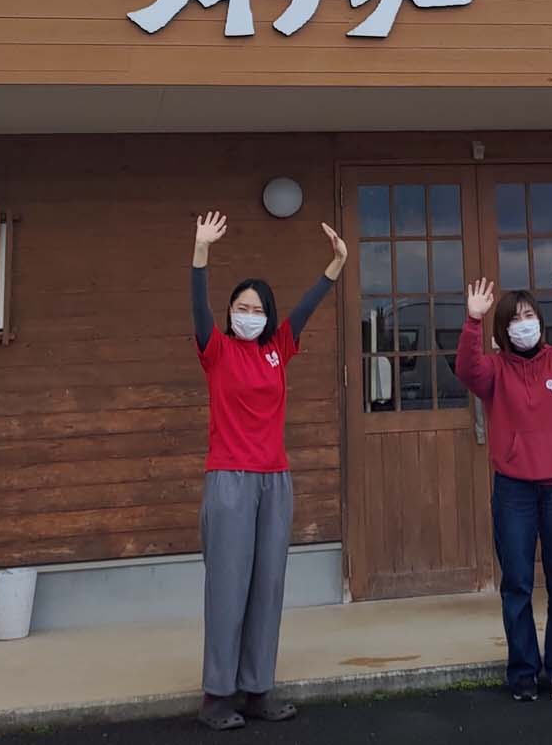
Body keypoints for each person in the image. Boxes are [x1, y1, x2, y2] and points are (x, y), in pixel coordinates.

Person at [190, 209, 347, 731]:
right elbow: (197, 306)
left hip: (275, 480)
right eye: (242, 307)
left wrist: (336, 264)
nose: (249, 314)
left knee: (268, 584)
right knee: (228, 586)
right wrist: (201, 252)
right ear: (231, 312)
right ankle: (217, 695)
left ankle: (258, 687)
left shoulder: (278, 348)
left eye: (258, 308)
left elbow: (307, 307)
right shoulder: (216, 350)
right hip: (230, 480)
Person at [456, 261, 552, 701]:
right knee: (517, 582)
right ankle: (523, 671)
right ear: (503, 331)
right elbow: (466, 368)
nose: (524, 325)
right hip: (514, 490)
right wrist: (472, 319)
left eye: (530, 317)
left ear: (540, 322)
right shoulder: (494, 371)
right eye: (515, 320)